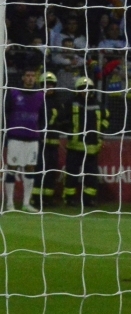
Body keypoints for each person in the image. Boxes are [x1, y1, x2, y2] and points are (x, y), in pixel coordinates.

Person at [63, 76, 109, 211]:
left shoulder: (98, 104)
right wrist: (68, 129)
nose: (86, 91)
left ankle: (89, 200)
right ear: (77, 90)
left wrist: (101, 132)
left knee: (91, 175)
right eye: (83, 89)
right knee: (71, 173)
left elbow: (107, 118)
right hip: (74, 146)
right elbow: (62, 118)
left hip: (92, 147)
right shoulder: (71, 103)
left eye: (88, 89)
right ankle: (69, 198)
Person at [4, 70, 46, 212]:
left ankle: (26, 203)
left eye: (33, 76)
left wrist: (40, 133)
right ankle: (10, 203)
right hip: (15, 136)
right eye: (28, 76)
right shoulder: (13, 93)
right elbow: (6, 112)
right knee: (12, 168)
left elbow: (42, 117)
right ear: (23, 78)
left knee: (30, 167)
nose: (30, 78)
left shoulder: (40, 95)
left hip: (32, 137)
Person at [31, 72, 62, 210]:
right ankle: (35, 198)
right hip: (39, 141)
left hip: (53, 142)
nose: (49, 87)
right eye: (46, 85)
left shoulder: (58, 102)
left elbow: (63, 120)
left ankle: (48, 198)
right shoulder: (37, 100)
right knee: (39, 169)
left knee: (51, 170)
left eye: (51, 85)